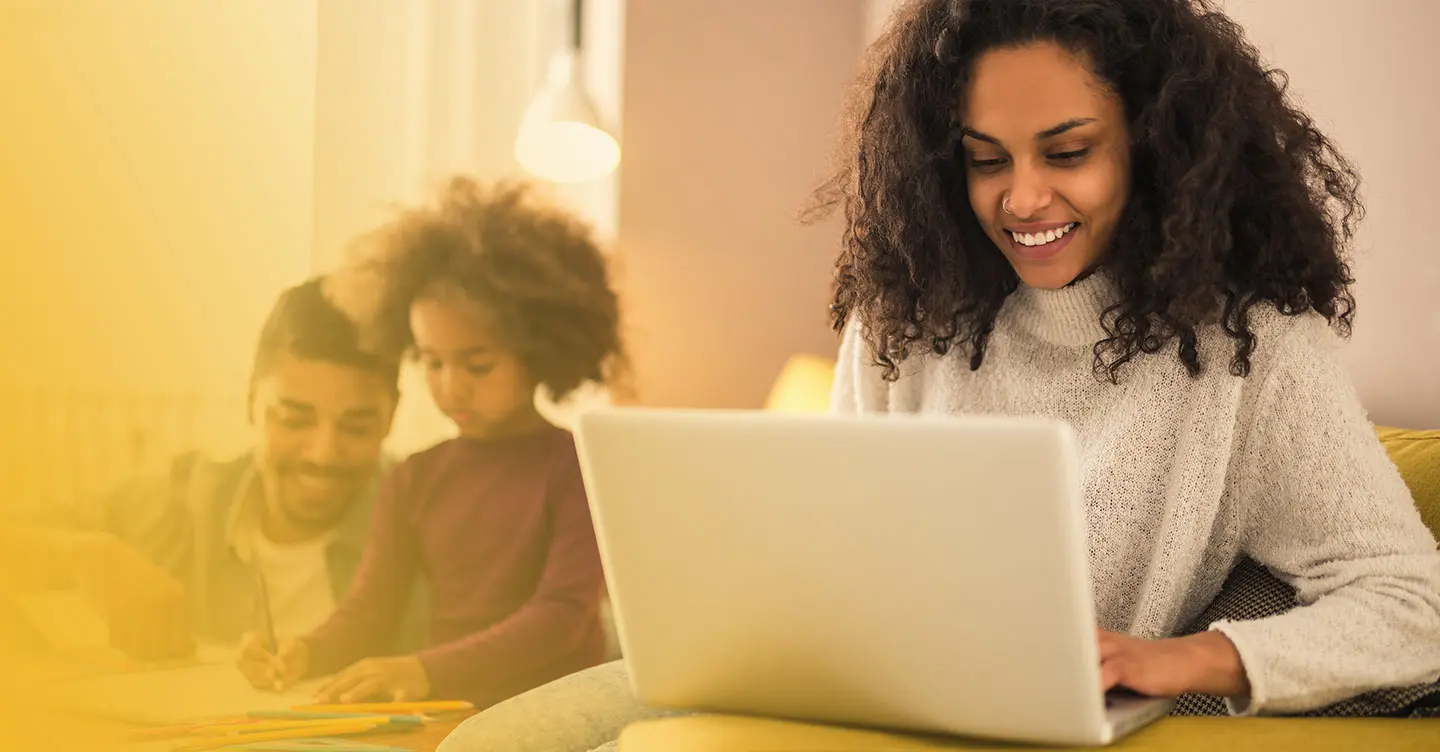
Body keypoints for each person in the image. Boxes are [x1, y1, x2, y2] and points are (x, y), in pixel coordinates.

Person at [433, 1, 1440, 749]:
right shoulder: (905, 316)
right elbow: (842, 540)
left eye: (1068, 152)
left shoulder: (1253, 348)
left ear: (1156, 146)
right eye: (985, 159)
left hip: (1014, 725)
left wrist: (1184, 658)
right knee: (491, 741)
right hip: (848, 687)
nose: (1023, 198)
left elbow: (1411, 603)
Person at [236, 177, 627, 710]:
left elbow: (561, 618)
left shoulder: (576, 470)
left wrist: (424, 670)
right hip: (449, 708)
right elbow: (370, 612)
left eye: (477, 365)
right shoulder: (414, 479)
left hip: (557, 707)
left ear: (541, 351)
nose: (450, 387)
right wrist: (304, 652)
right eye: (432, 362)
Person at [0, 277, 424, 661]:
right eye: (294, 420)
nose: (323, 454)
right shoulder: (177, 502)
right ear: (251, 401)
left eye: (356, 427)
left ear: (391, 416)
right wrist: (80, 555)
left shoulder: (430, 518)